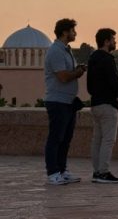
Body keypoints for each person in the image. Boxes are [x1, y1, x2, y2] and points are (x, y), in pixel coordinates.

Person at [43, 18, 87, 186]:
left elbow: (67, 72)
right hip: (57, 101)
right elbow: (62, 76)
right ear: (64, 32)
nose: (75, 33)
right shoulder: (56, 51)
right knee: (56, 138)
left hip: (68, 102)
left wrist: (76, 70)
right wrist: (78, 73)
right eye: (73, 31)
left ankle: (62, 170)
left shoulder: (66, 50)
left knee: (65, 139)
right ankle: (53, 172)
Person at [87, 27, 118, 184]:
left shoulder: (93, 58)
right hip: (108, 105)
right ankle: (103, 172)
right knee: (108, 140)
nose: (115, 42)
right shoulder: (107, 59)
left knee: (97, 139)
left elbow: (89, 86)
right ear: (106, 41)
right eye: (113, 39)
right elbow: (114, 80)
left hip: (96, 104)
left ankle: (97, 171)